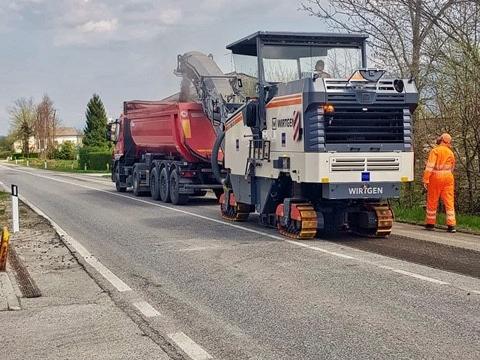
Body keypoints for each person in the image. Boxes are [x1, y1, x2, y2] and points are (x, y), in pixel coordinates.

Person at [423, 133, 456, 232]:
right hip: (448, 177)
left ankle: (430, 224)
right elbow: (452, 167)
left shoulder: (435, 151)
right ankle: (451, 226)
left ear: (441, 140)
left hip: (436, 177)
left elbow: (429, 167)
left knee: (432, 200)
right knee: (449, 201)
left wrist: (425, 179)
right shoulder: (450, 152)